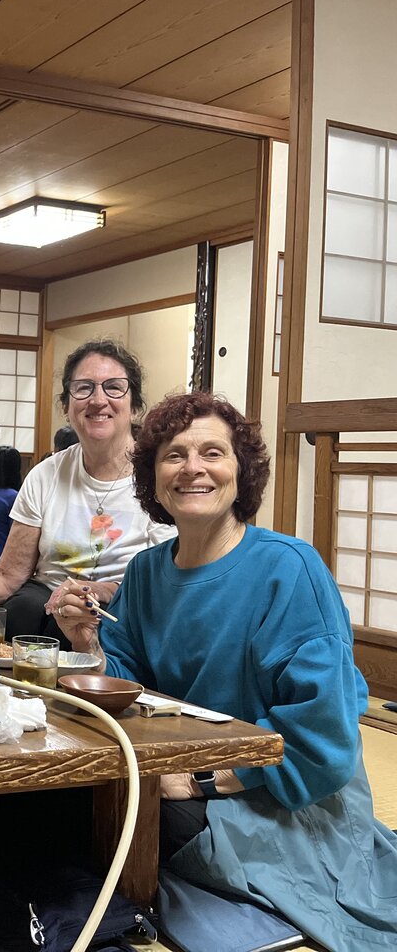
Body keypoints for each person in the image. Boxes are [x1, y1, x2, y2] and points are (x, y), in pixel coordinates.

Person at [54, 392, 397, 951]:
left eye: (212, 453)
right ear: (153, 477)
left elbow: (323, 738)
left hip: (278, 799)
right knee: (58, 792)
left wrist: (199, 780)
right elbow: (123, 682)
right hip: (172, 775)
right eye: (174, 455)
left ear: (242, 472)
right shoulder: (145, 572)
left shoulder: (288, 568)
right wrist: (85, 640)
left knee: (103, 819)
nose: (193, 468)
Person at [0, 340, 175, 645]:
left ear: (134, 406)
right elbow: (6, 576)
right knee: (5, 618)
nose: (98, 400)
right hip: (43, 607)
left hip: (120, 607)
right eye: (83, 388)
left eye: (113, 387)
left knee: (88, 623)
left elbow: (166, 582)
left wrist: (100, 591)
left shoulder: (157, 476)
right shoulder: (46, 475)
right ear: (66, 406)